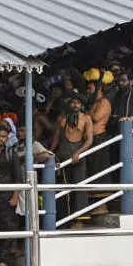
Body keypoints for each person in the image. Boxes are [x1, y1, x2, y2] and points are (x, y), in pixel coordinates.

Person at [50, 93, 93, 227]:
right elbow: (56, 137)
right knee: (63, 188)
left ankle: (80, 220)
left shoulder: (86, 118)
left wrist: (78, 153)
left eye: (78, 103)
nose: (75, 105)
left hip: (78, 158)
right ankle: (65, 219)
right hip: (63, 157)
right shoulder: (62, 119)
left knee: (79, 188)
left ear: (82, 105)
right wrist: (51, 153)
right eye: (73, 102)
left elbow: (89, 140)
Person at [0, 125, 22, 266]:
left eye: (3, 136)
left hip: (6, 198)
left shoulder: (11, 154)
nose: (0, 139)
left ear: (7, 138)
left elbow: (18, 177)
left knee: (7, 229)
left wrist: (15, 196)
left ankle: (4, 261)